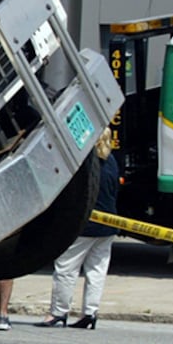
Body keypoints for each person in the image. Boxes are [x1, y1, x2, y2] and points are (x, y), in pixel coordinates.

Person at [38, 137, 122, 329]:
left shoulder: (84, 163)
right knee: (96, 271)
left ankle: (58, 312)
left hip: (84, 226)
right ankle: (90, 313)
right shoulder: (111, 160)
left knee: (66, 268)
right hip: (108, 225)